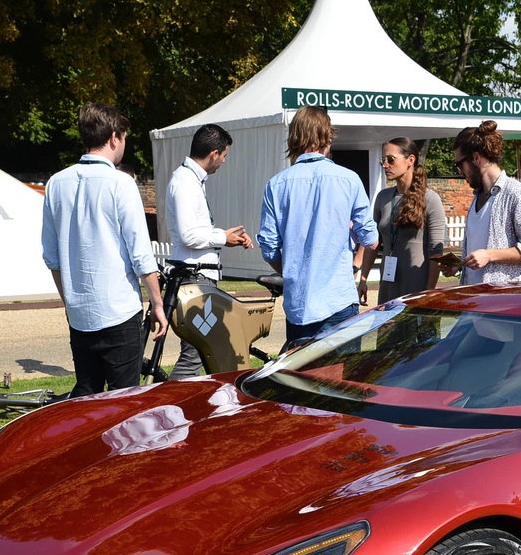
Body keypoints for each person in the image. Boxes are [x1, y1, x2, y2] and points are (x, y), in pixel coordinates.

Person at [41, 103, 166, 398]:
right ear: (114, 137)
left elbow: (52, 257)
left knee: (87, 397)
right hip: (119, 311)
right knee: (125, 400)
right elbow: (140, 254)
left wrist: (68, 300)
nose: (123, 144)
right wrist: (157, 303)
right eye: (123, 137)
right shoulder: (121, 183)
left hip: (80, 312)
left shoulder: (56, 183)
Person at [258, 106, 378, 350]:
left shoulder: (276, 184)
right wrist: (353, 266)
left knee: (302, 382)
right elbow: (371, 239)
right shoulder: (349, 179)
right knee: (342, 382)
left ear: (294, 138)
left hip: (300, 304)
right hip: (339, 299)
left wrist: (295, 272)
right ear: (328, 136)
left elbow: (269, 249)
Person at [163, 122, 254, 378]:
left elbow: (194, 231)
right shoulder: (185, 181)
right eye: (224, 156)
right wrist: (222, 238)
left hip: (199, 277)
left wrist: (225, 237)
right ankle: (171, 405)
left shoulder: (192, 179)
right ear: (214, 153)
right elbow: (188, 234)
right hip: (194, 278)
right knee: (195, 354)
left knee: (206, 351)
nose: (224, 162)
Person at [441, 120, 521, 286]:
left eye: (460, 164)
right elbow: (479, 251)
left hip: (501, 299)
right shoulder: (477, 196)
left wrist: (489, 255)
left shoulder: (516, 193)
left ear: (476, 158)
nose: (459, 171)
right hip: (472, 297)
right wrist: (459, 266)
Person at [356, 137, 445, 305]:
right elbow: (372, 242)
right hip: (388, 283)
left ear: (410, 160)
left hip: (417, 287)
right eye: (383, 160)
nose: (385, 165)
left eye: (390, 159)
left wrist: (429, 292)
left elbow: (436, 252)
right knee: (387, 330)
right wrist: (363, 279)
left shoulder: (431, 199)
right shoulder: (383, 197)